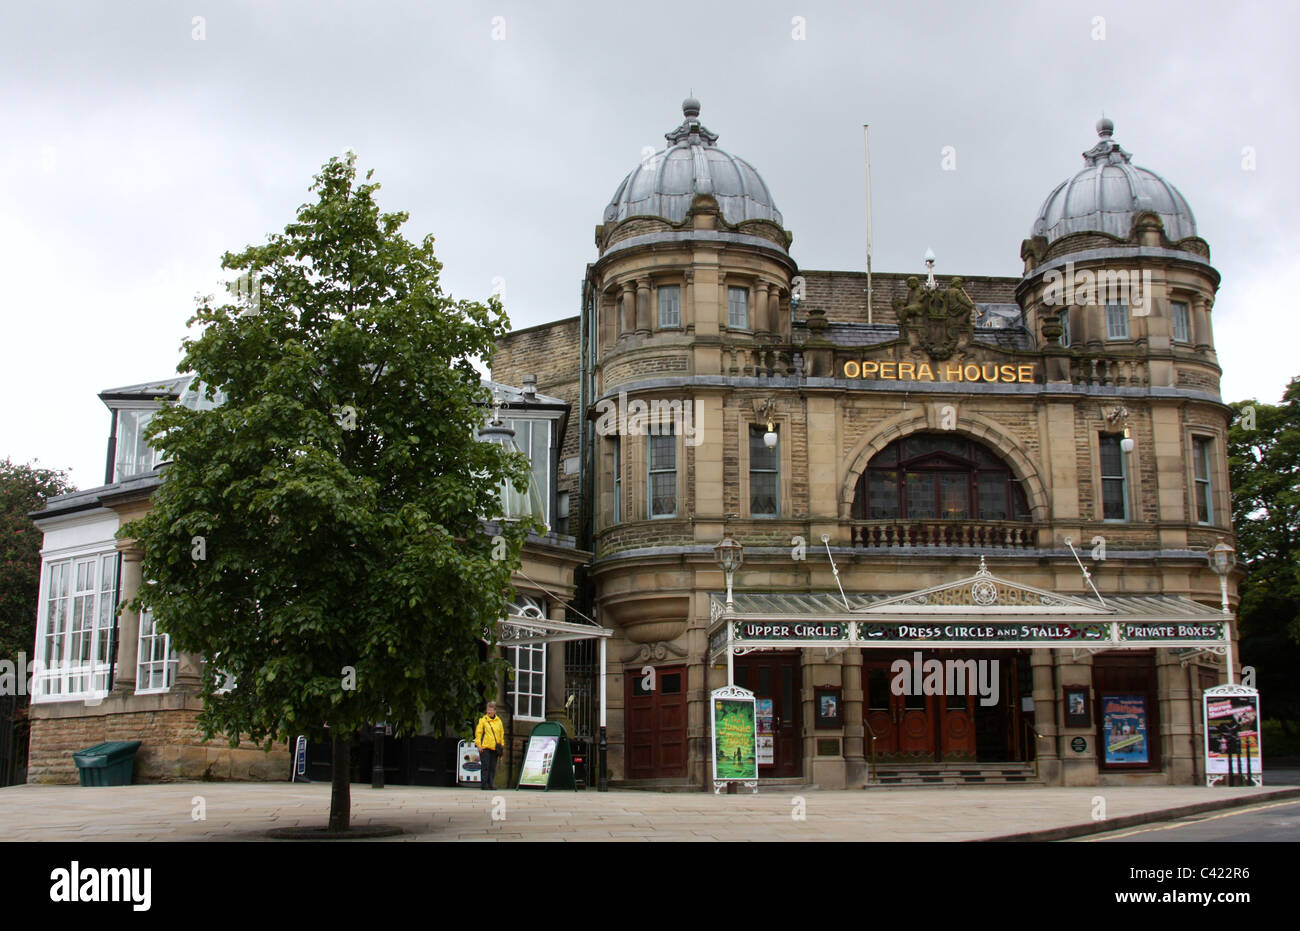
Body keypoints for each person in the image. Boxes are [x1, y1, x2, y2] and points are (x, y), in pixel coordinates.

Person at [474, 701, 505, 790]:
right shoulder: (483, 721)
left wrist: (501, 745)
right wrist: (478, 745)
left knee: (492, 767)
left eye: (491, 710)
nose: (489, 711)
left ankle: (491, 784)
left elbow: (501, 734)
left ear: (495, 711)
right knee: (485, 766)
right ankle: (484, 784)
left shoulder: (499, 721)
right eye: (488, 709)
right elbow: (478, 733)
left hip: (495, 748)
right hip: (485, 747)